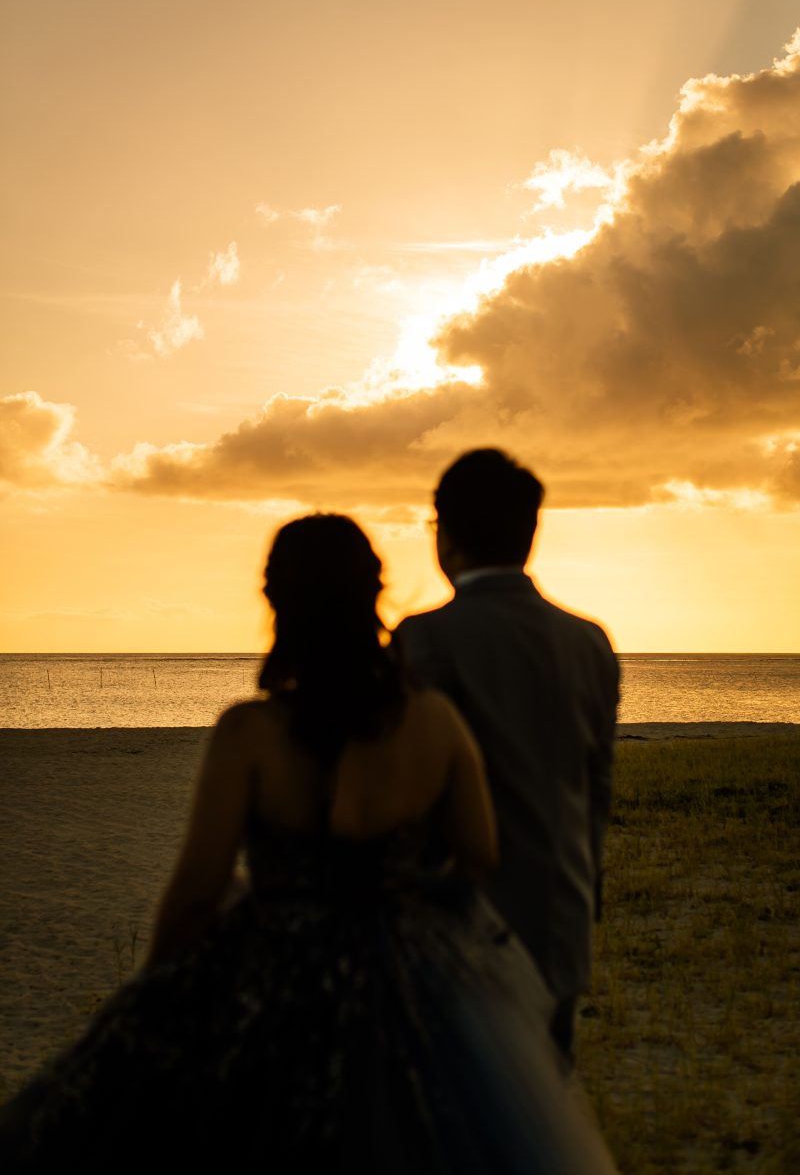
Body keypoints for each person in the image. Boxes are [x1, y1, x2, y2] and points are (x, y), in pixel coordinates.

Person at [0, 514, 617, 1175]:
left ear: (276, 602)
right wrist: (412, 910)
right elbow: (480, 857)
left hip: (266, 967)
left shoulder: (248, 734)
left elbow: (198, 890)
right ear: (373, 596)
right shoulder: (433, 723)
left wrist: (153, 987)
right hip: (403, 973)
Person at [396, 450, 619, 1066]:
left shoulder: (425, 637)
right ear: (530, 532)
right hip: (561, 917)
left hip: (460, 926)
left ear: (447, 532)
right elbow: (596, 790)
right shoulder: (589, 641)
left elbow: (409, 792)